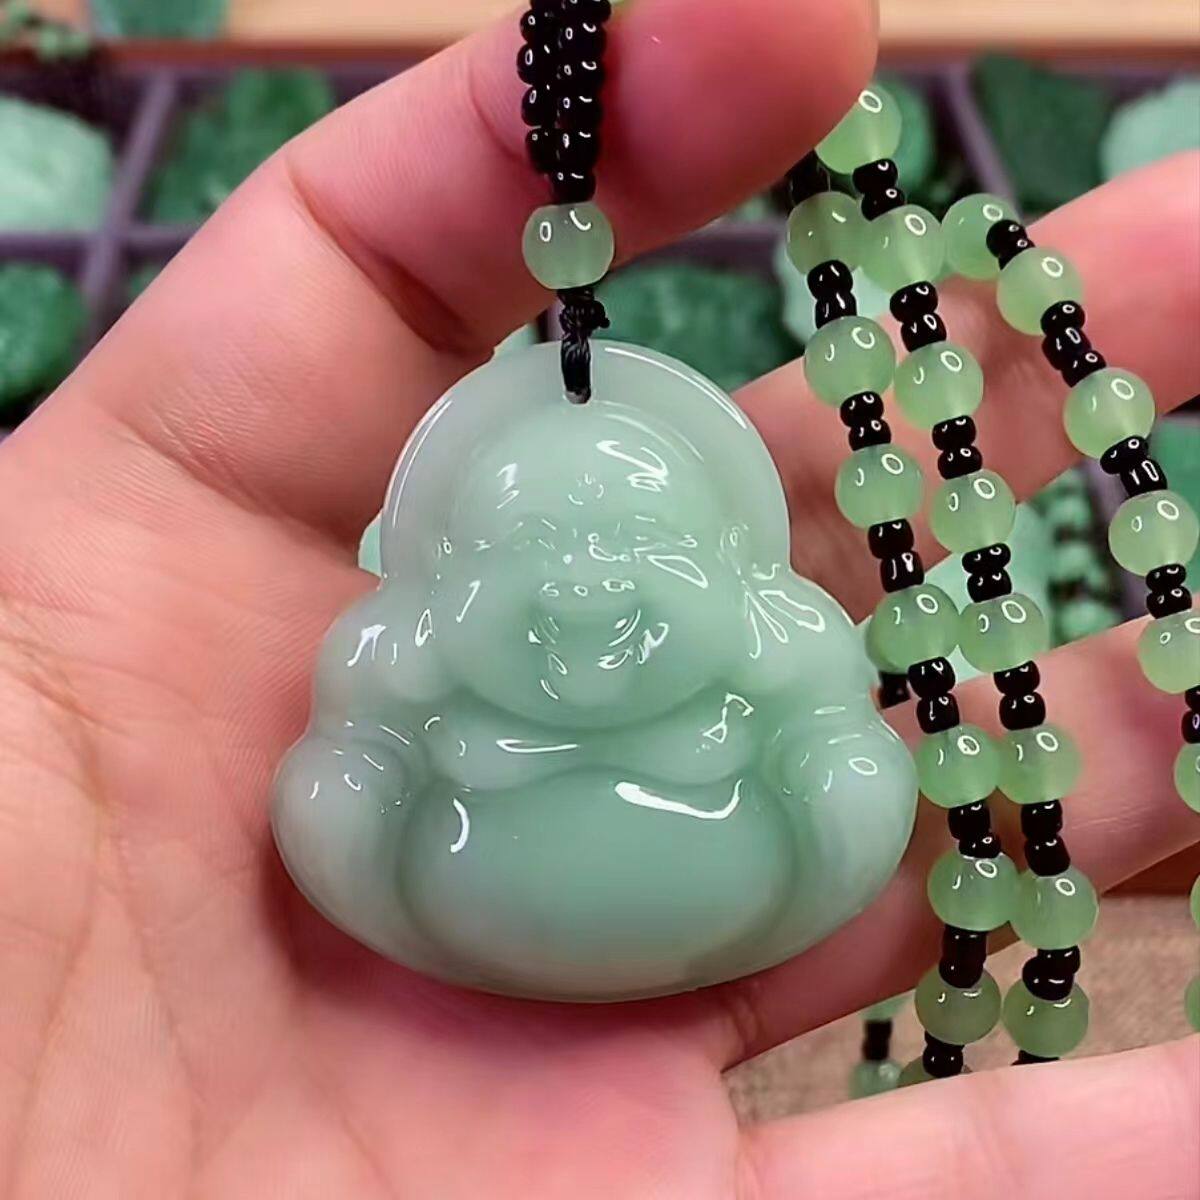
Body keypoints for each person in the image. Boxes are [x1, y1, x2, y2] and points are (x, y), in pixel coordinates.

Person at [0, 1, 1196, 1194]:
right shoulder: (414, 661)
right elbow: (354, 757)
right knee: (326, 800)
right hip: (460, 883)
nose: (586, 578)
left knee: (870, 782)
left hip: (735, 868)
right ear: (447, 575)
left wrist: (833, 775)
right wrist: (357, 782)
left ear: (731, 567)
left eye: (641, 544)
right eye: (530, 546)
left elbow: (833, 733)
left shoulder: (766, 647)